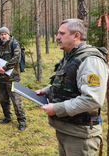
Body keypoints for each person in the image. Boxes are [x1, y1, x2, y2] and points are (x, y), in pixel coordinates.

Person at [36, 19, 109, 156]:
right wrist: (46, 91)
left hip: (81, 135)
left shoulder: (90, 60)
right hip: (66, 129)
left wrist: (57, 109)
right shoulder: (70, 56)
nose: (57, 37)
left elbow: (92, 99)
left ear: (76, 36)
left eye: (62, 33)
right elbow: (67, 81)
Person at [0, 27, 26, 131]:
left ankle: (22, 121)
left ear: (8, 35)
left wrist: (5, 68)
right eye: (1, 34)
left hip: (12, 78)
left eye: (5, 34)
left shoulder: (14, 44)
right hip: (1, 78)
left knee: (16, 100)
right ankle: (7, 117)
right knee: (3, 99)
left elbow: (16, 58)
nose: (3, 36)